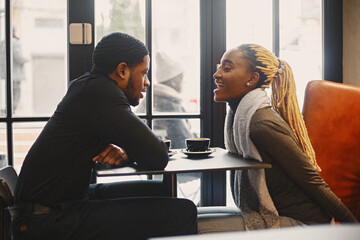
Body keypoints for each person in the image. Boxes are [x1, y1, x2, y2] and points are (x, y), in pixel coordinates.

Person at [12, 32, 197, 240]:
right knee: (182, 212)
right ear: (122, 70)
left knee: (160, 190)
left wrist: (126, 151)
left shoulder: (88, 87)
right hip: (48, 221)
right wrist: (131, 151)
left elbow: (146, 147)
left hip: (60, 206)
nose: (147, 82)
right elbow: (157, 155)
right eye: (144, 73)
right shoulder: (100, 93)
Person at [201, 43, 357, 231]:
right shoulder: (241, 119)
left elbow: (313, 182)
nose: (216, 74)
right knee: (186, 214)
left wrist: (352, 229)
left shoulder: (261, 124)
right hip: (274, 213)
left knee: (190, 226)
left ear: (252, 79)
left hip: (304, 224)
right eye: (219, 67)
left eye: (226, 68)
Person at [136, 51, 195, 148]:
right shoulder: (170, 104)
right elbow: (183, 141)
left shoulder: (151, 99)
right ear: (173, 81)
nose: (184, 82)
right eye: (181, 78)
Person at [0, 27, 28, 112]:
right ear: (14, 33)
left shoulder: (3, 42)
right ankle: (12, 109)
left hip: (6, 73)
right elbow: (18, 57)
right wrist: (26, 59)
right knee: (16, 92)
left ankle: (7, 108)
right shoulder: (15, 42)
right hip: (15, 73)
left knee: (8, 91)